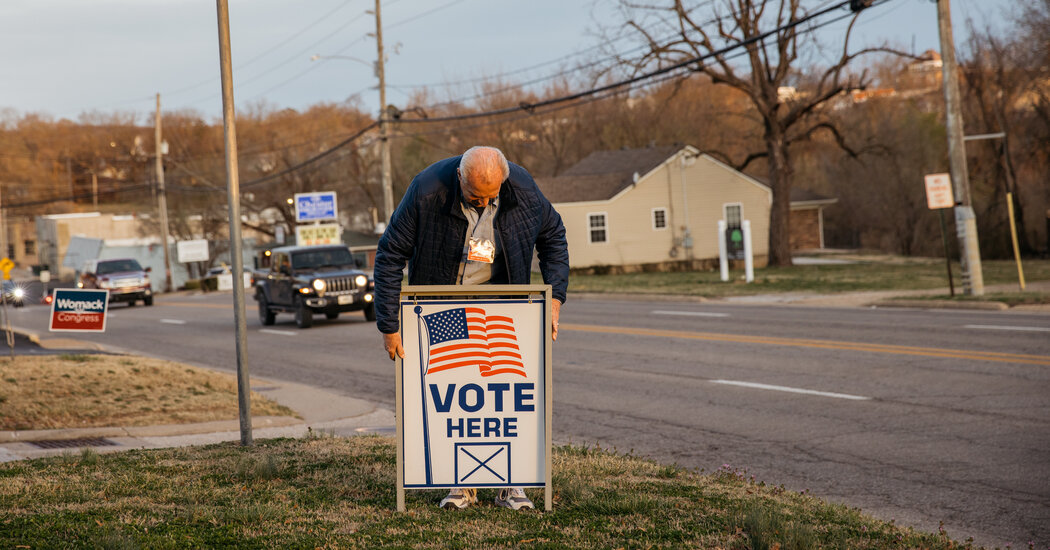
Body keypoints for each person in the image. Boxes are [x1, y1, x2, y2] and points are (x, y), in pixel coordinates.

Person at [373, 145, 569, 511]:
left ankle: (512, 483)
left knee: (508, 397)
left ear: (504, 181)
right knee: (450, 396)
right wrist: (389, 323)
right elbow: (389, 255)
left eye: (490, 195)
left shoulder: (523, 189)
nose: (482, 202)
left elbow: (554, 238)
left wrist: (554, 297)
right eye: (474, 195)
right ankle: (460, 484)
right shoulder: (427, 189)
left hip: (505, 305)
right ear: (460, 177)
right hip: (442, 302)